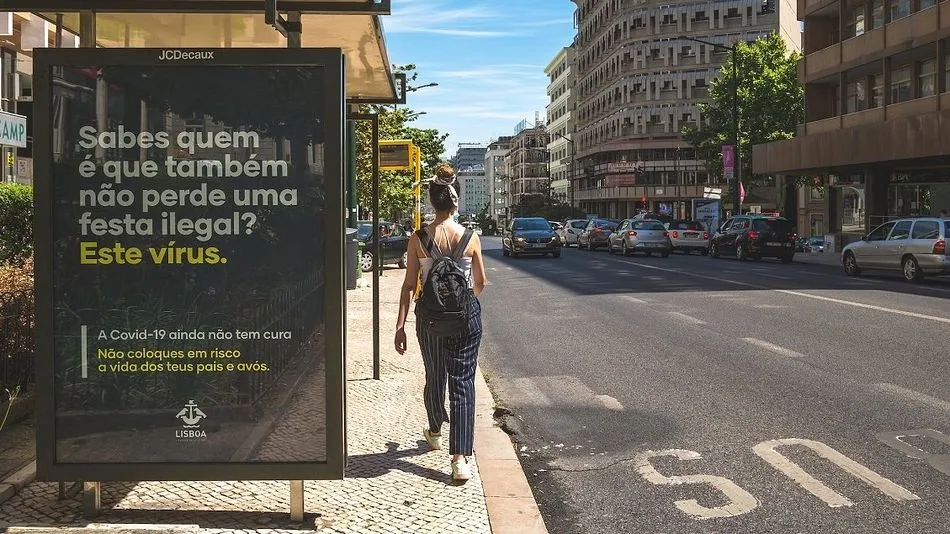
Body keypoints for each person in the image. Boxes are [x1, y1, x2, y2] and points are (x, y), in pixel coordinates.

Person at [394, 162, 488, 482]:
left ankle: (434, 429)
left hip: (429, 319)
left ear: (432, 202)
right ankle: (460, 459)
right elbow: (480, 283)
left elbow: (409, 286)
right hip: (465, 319)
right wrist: (464, 304)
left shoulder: (418, 238)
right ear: (455, 201)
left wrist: (400, 325)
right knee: (463, 382)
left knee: (435, 374)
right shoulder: (470, 238)